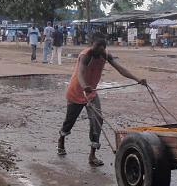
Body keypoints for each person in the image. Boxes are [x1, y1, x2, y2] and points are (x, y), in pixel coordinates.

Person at [58, 35, 147, 167]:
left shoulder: (105, 55)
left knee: (97, 120)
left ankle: (92, 155)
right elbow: (80, 74)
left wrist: (137, 79)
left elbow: (120, 69)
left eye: (100, 51)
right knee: (69, 121)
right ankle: (61, 140)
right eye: (95, 50)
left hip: (91, 92)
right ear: (92, 46)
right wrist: (84, 87)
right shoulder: (85, 55)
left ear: (103, 50)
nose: (98, 53)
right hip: (76, 91)